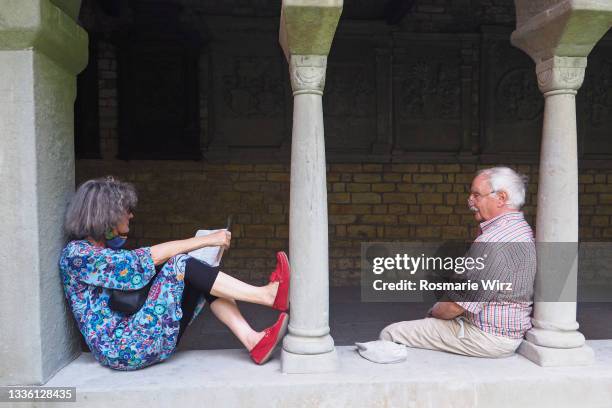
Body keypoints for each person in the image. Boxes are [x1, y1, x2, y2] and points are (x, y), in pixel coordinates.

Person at [59, 176, 290, 371]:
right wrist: (204, 241)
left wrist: (202, 255)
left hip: (139, 337)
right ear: (106, 214)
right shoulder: (78, 255)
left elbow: (141, 273)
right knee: (182, 264)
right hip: (123, 347)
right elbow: (143, 261)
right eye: (126, 210)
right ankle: (266, 296)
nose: (131, 216)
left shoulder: (100, 251)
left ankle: (253, 340)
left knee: (197, 269)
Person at [379, 166, 536, 358]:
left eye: (476, 195)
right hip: (508, 328)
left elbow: (455, 307)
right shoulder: (521, 228)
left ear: (501, 198)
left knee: (391, 333)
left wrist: (433, 312)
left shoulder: (492, 242)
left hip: (486, 336)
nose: (470, 200)